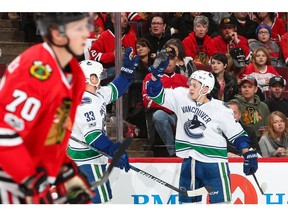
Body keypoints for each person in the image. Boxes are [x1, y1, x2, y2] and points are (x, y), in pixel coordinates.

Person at [0, 13, 95, 204]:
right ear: (57, 33)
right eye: (79, 28)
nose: (88, 33)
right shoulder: (35, 70)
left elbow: (54, 132)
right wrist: (30, 178)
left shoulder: (74, 73)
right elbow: (4, 134)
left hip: (34, 180)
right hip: (10, 181)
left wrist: (65, 171)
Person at [146, 55, 258, 203]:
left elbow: (236, 134)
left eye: (194, 85)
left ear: (205, 88)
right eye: (190, 84)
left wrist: (247, 153)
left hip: (214, 163)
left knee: (221, 205)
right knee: (187, 206)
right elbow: (155, 94)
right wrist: (155, 77)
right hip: (189, 161)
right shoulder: (181, 96)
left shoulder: (220, 108)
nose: (190, 88)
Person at [67, 47, 138, 203]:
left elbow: (114, 90)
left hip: (82, 161)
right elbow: (94, 137)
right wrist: (115, 151)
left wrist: (126, 73)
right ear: (91, 79)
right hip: (87, 163)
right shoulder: (85, 104)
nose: (101, 78)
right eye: (98, 76)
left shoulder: (94, 95)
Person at [142, 47, 188, 156]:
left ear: (175, 61)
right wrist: (171, 104)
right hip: (164, 114)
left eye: (170, 59)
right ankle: (173, 152)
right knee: (159, 115)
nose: (167, 62)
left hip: (181, 115)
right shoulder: (151, 77)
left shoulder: (183, 79)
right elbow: (147, 101)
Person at [89, 12, 137, 81]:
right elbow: (94, 54)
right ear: (113, 20)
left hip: (128, 69)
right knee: (121, 70)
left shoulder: (131, 35)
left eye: (125, 16)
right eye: (121, 16)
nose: (125, 19)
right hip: (109, 70)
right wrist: (113, 55)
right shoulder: (104, 36)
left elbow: (135, 55)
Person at [231, 76, 271, 140]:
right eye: (244, 87)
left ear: (255, 89)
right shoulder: (234, 105)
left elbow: (268, 127)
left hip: (260, 140)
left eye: (250, 87)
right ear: (240, 89)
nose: (246, 89)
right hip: (239, 139)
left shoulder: (263, 107)